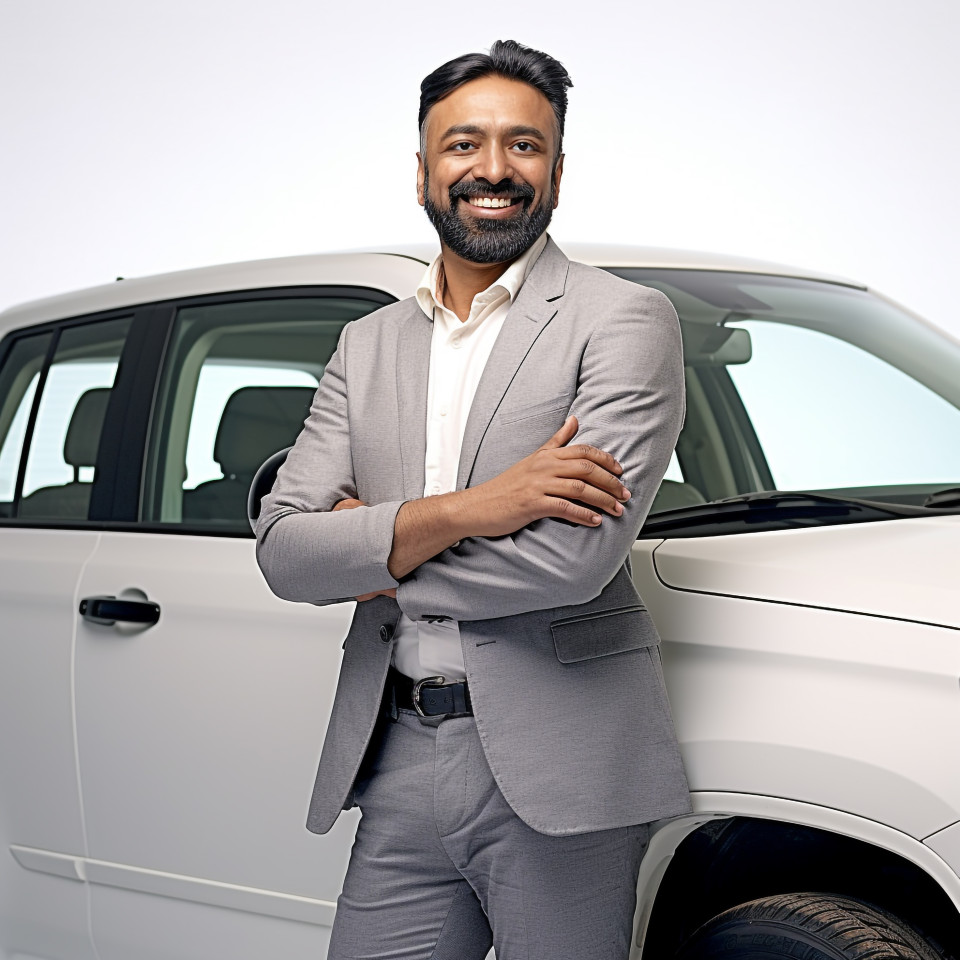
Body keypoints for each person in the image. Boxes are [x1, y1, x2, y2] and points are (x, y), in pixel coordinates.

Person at [255, 39, 691, 960]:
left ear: (558, 172)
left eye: (523, 146)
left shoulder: (622, 319)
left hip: (561, 768)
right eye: (463, 145)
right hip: (398, 752)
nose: (492, 169)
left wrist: (373, 552)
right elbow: (287, 553)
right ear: (421, 171)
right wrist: (476, 508)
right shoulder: (367, 342)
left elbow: (572, 561)